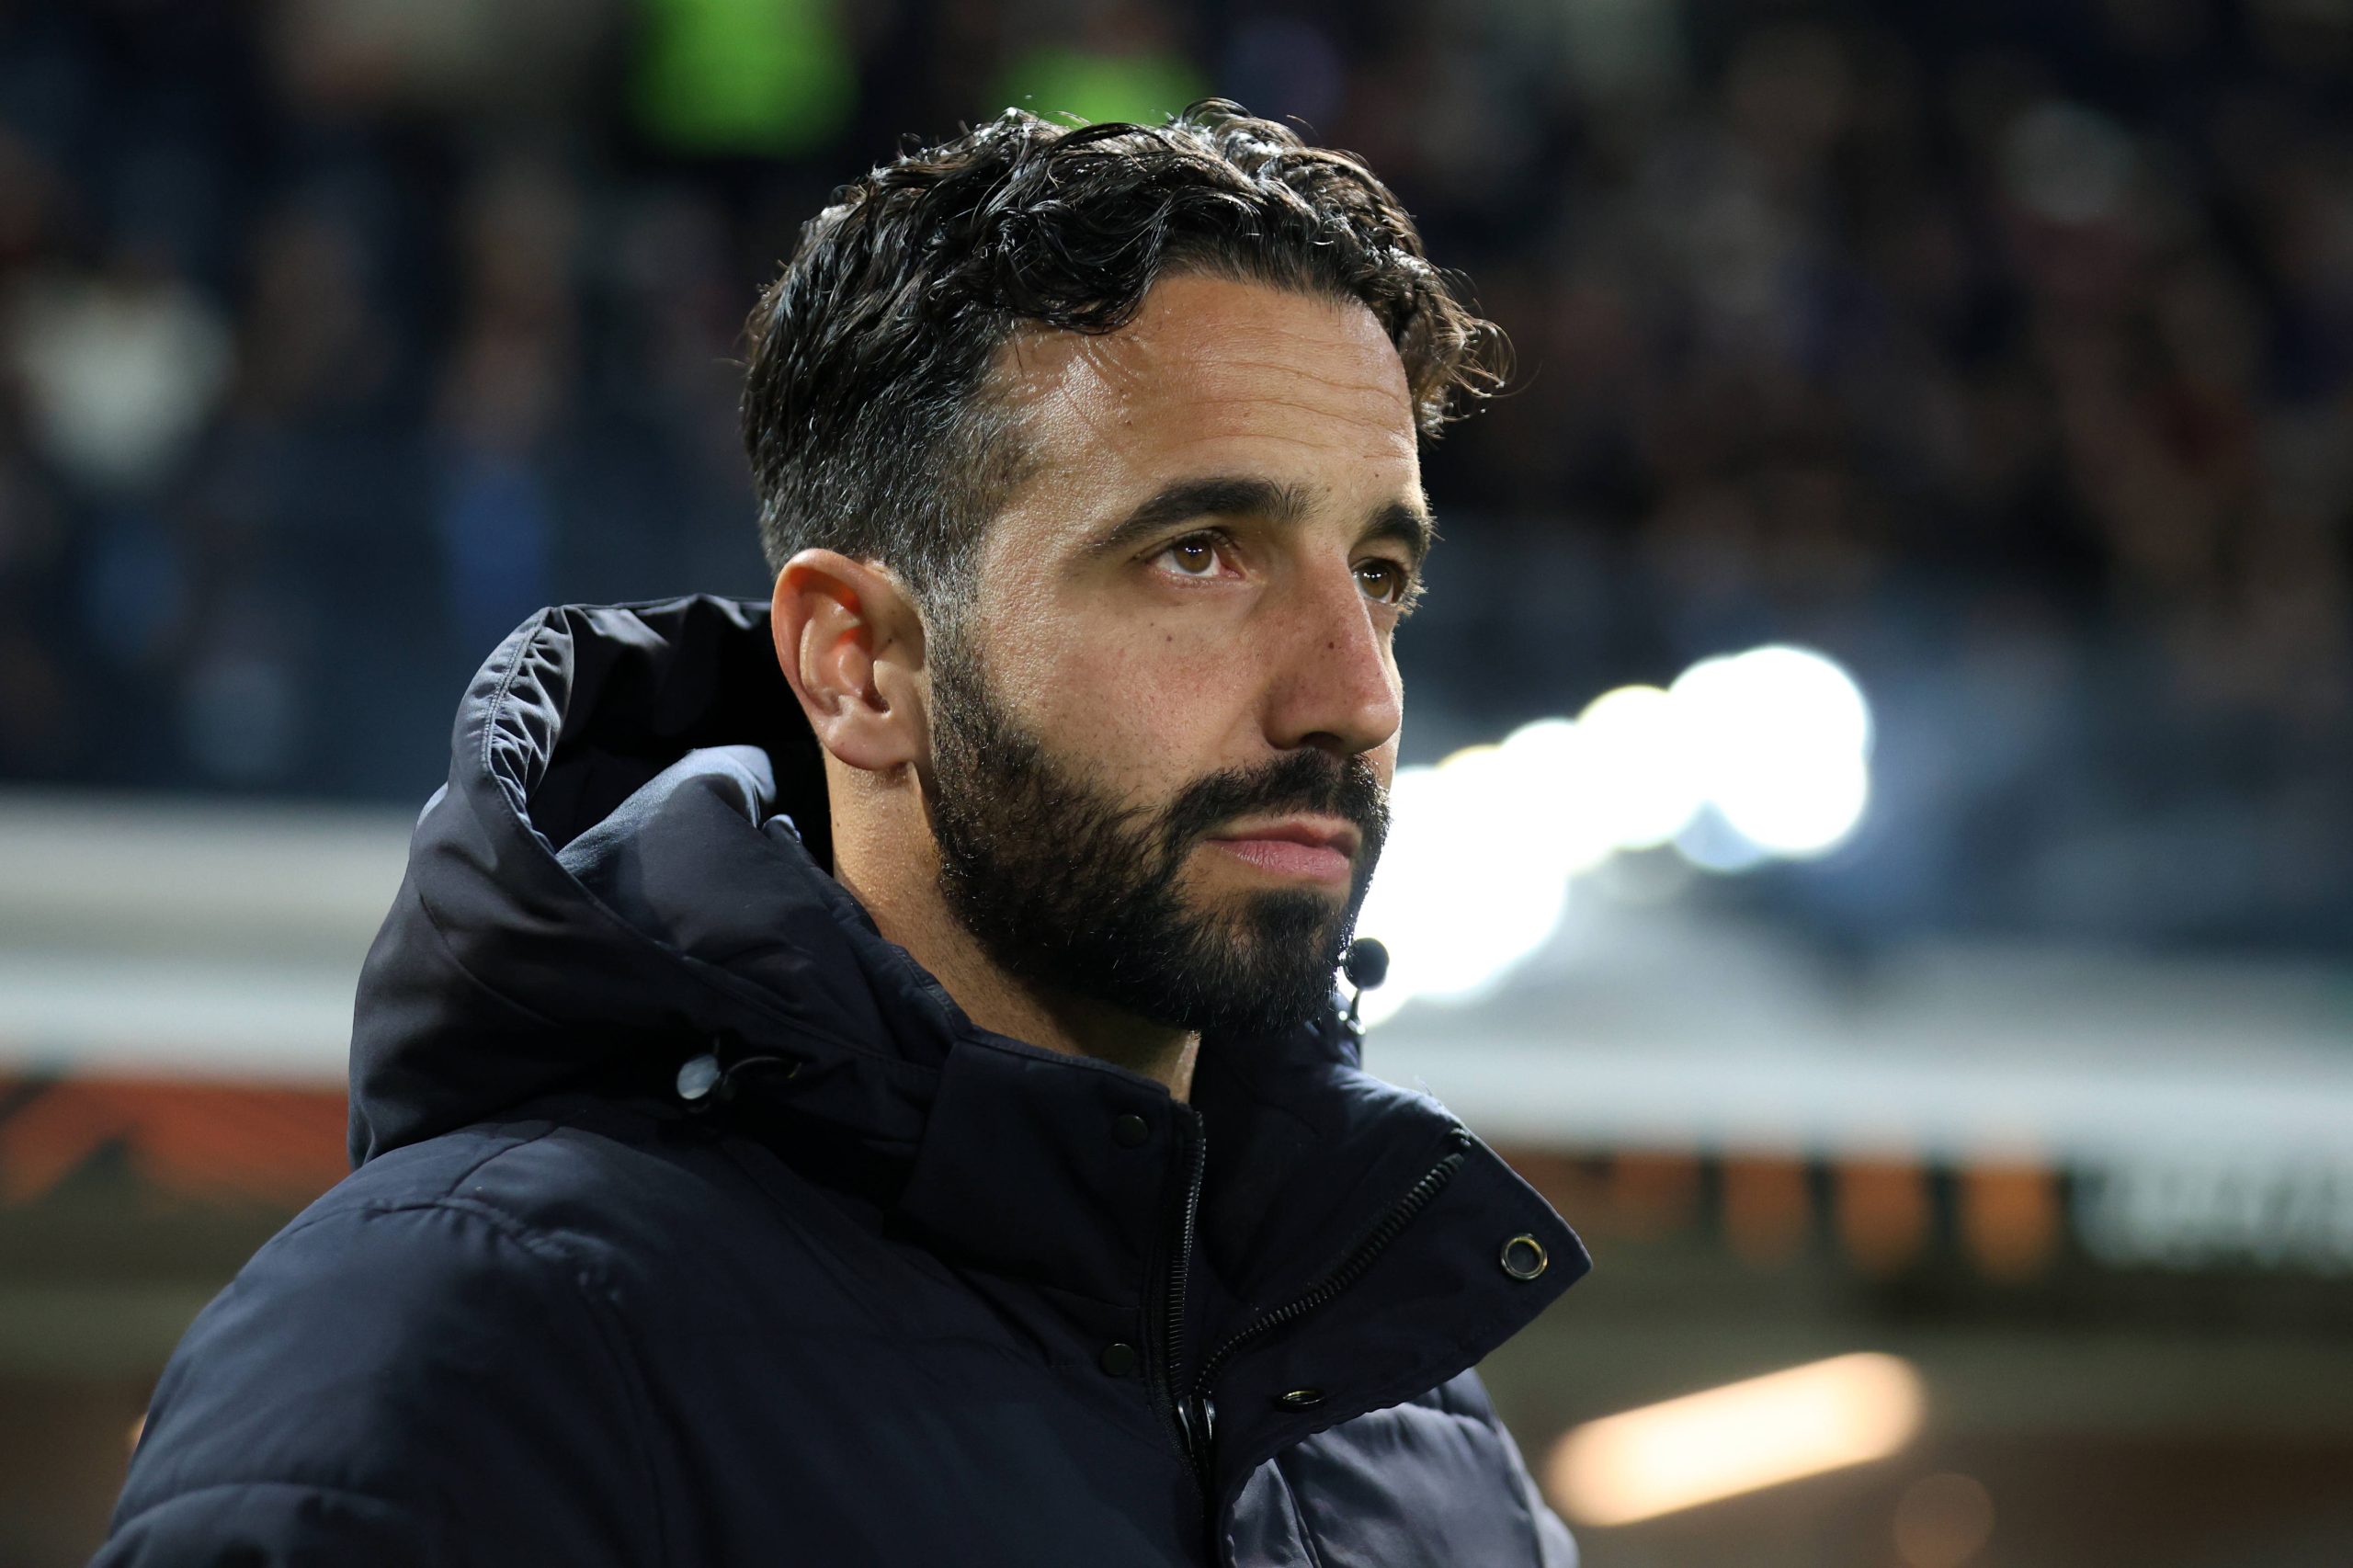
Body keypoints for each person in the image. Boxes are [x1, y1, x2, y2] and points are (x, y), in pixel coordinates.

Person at [94, 103, 1587, 1566]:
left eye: (1380, 574)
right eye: (1200, 555)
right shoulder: (459, 1351)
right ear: (860, 664)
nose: (1355, 695)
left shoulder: (1425, 1443)